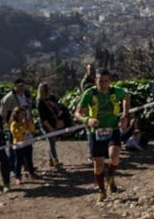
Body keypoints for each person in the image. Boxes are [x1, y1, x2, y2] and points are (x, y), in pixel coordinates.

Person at [75, 68, 129, 200]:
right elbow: (77, 113)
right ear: (95, 80)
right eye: (100, 81)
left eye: (106, 81)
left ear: (110, 81)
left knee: (114, 156)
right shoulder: (89, 93)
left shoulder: (116, 91)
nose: (103, 84)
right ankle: (101, 190)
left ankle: (110, 176)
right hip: (95, 132)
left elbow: (127, 96)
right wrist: (88, 120)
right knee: (98, 164)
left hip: (112, 129)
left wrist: (125, 114)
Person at [0, 78, 31, 175]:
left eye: (23, 86)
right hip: (14, 125)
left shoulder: (25, 95)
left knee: (26, 145)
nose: (21, 88)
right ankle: (12, 167)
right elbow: (3, 112)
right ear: (15, 86)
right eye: (19, 86)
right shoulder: (8, 98)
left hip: (25, 123)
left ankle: (26, 166)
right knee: (14, 146)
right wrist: (6, 123)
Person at [36, 82, 68, 169]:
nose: (50, 90)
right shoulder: (40, 103)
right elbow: (43, 119)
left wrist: (60, 112)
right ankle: (55, 160)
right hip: (46, 125)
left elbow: (58, 107)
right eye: (48, 89)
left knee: (52, 142)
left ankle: (51, 160)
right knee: (51, 143)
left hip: (54, 122)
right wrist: (50, 128)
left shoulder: (52, 98)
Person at [9, 107, 39, 181]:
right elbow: (16, 134)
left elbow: (32, 130)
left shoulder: (27, 121)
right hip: (18, 146)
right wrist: (23, 126)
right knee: (18, 161)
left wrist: (30, 124)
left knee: (29, 160)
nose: (23, 116)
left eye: (24, 114)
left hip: (28, 143)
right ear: (16, 115)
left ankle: (31, 173)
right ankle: (18, 176)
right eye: (21, 114)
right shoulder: (14, 124)